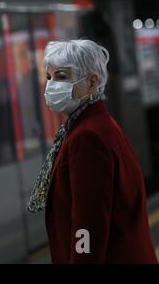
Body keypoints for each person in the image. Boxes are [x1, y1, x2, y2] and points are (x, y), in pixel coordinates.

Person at [27, 39, 158, 264]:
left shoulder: (87, 138)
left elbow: (87, 225)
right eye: (48, 77)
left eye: (61, 76)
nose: (51, 86)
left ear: (91, 82)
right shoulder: (99, 124)